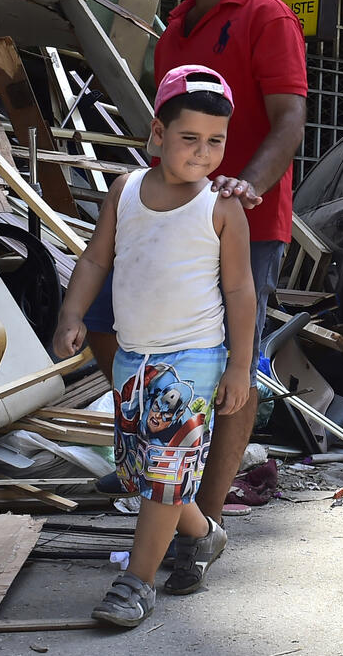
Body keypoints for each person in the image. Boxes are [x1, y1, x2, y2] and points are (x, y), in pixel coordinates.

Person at [80, 0, 306, 589]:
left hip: (241, 221)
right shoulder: (175, 27)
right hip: (165, 220)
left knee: (232, 370)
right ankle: (170, 495)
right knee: (103, 325)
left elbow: (287, 121)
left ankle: (197, 524)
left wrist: (246, 186)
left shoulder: (266, 17)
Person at [52, 66, 256, 627]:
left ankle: (136, 583)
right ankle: (204, 535)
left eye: (216, 141)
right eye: (189, 138)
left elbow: (240, 291)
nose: (203, 153)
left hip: (193, 361)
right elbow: (97, 258)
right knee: (146, 471)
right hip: (132, 357)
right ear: (157, 135)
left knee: (164, 470)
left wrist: (240, 367)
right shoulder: (125, 192)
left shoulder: (221, 206)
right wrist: (72, 312)